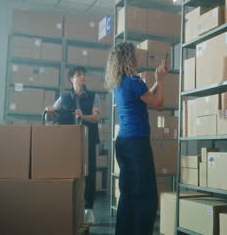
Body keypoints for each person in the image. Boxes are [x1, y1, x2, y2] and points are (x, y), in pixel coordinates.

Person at [105, 42, 167, 235]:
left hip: (123, 143)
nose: (137, 59)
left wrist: (156, 80)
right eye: (135, 56)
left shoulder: (119, 83)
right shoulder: (135, 81)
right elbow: (158, 104)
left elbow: (145, 96)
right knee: (146, 196)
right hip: (137, 144)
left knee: (129, 194)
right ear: (128, 59)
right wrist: (162, 80)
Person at [46, 66, 101, 223]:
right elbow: (51, 117)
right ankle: (67, 205)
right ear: (72, 79)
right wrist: (49, 111)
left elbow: (96, 118)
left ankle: (88, 208)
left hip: (88, 140)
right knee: (68, 173)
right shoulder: (63, 98)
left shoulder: (93, 96)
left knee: (89, 173)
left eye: (84, 74)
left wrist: (83, 116)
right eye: (79, 75)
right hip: (68, 143)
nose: (83, 77)